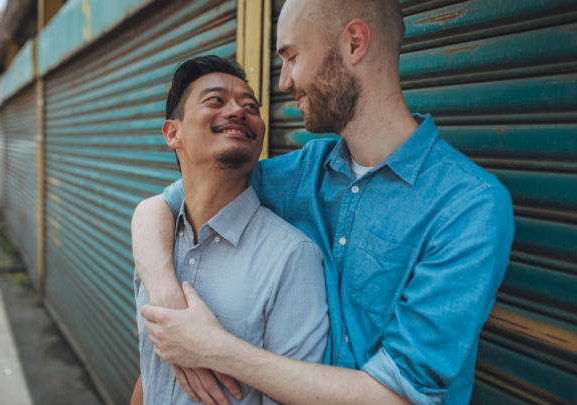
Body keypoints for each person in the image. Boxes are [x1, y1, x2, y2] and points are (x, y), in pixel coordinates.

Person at [133, 0, 515, 404]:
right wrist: (166, 298)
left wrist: (214, 349)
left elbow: (398, 396)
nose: (283, 82)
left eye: (292, 56)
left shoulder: (468, 205)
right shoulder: (300, 173)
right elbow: (161, 207)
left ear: (353, 43)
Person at [130, 55, 329, 405]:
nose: (238, 111)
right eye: (216, 100)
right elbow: (152, 370)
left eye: (250, 105)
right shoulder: (158, 245)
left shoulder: (290, 257)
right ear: (172, 133)